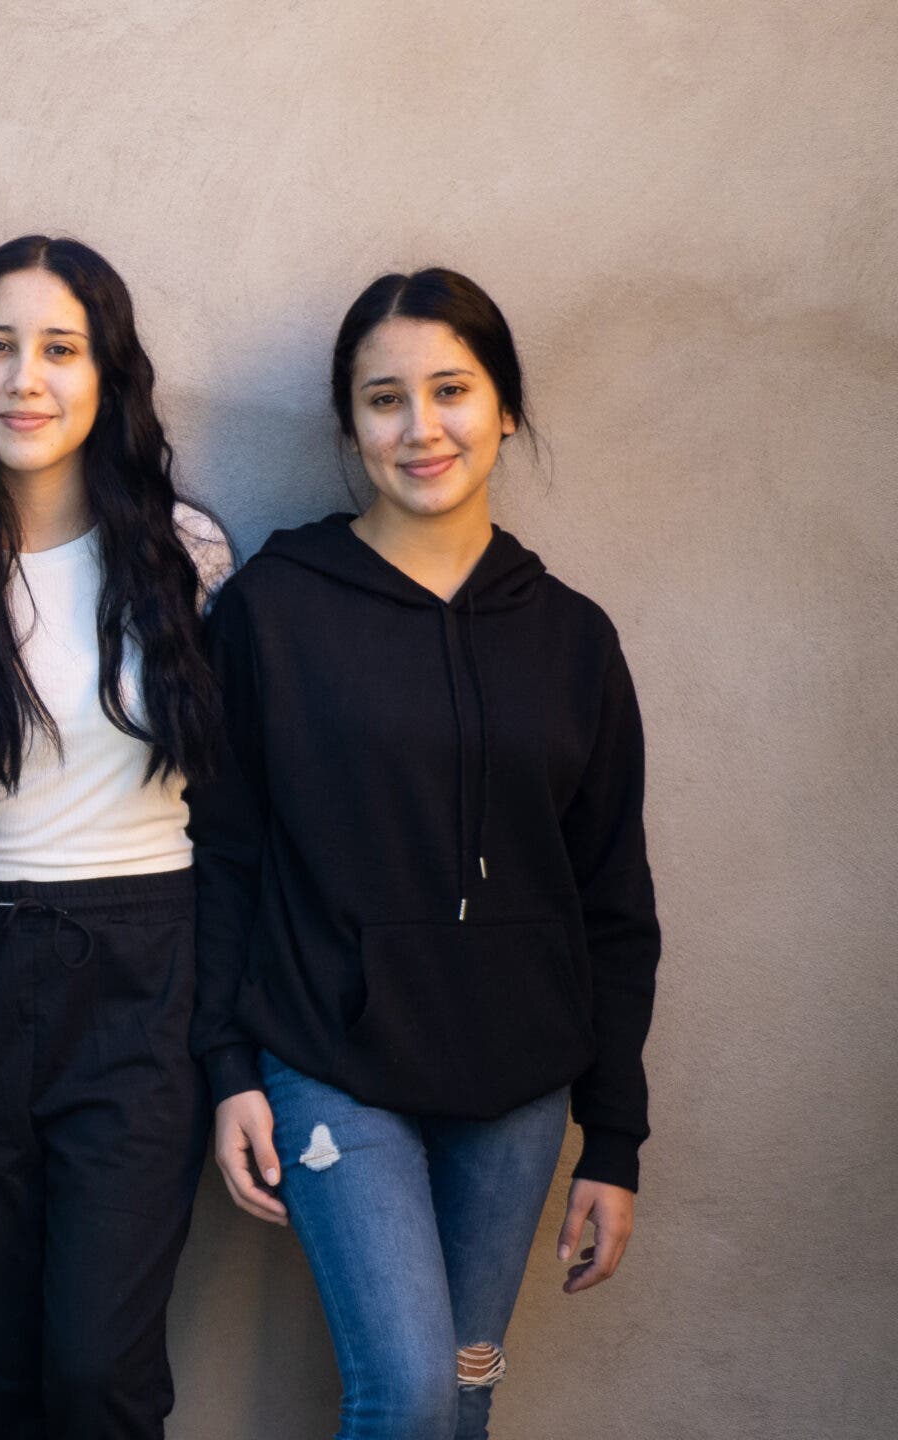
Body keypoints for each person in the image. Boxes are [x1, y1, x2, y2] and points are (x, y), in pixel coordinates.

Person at [193, 268, 660, 1439]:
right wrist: (228, 1067)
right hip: (328, 1055)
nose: (419, 427)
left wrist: (613, 1138)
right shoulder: (273, 611)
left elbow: (612, 899)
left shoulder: (573, 639)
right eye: (382, 399)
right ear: (349, 426)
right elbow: (222, 854)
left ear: (503, 406)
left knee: (461, 1391)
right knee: (404, 1392)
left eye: (450, 390)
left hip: (518, 1079)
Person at [0, 235, 232, 1440]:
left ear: (107, 373)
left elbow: (233, 808)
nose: (24, 379)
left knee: (98, 1373)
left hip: (142, 975)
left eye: (59, 349)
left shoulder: (185, 555)